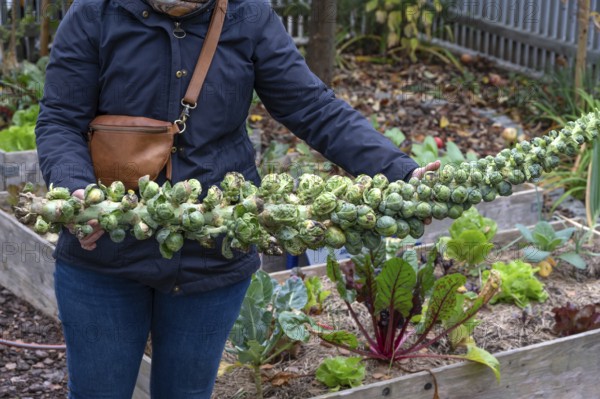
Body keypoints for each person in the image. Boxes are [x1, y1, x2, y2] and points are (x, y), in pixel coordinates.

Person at [35, 0, 440, 398]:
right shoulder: (95, 12)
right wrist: (74, 190)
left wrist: (399, 171)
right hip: (105, 248)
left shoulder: (249, 15)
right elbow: (60, 117)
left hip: (211, 252)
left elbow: (313, 107)